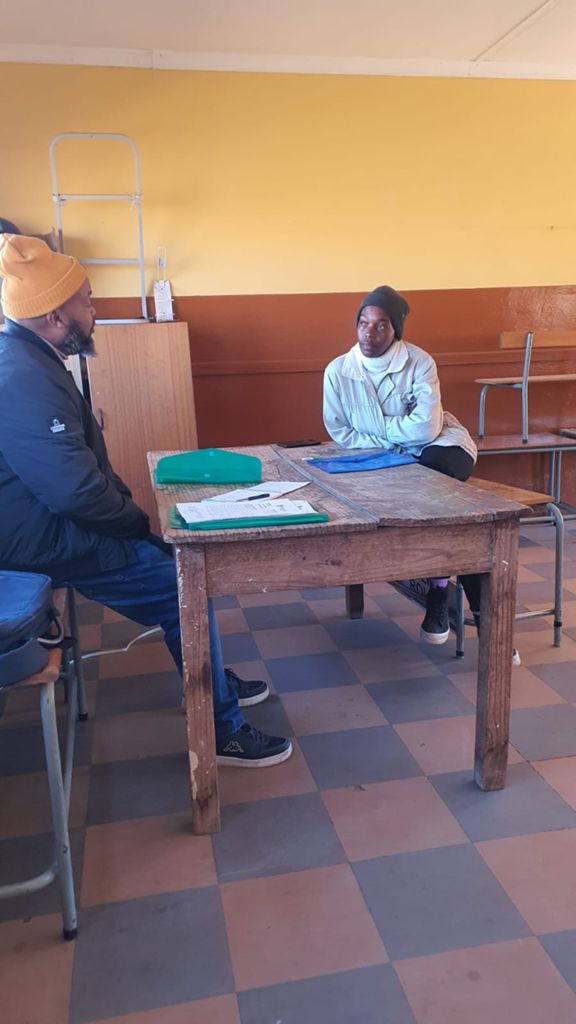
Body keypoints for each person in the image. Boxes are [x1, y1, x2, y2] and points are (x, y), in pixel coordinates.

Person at [0, 234, 292, 766]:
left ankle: (209, 682)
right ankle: (220, 729)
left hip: (44, 525)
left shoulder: (28, 359)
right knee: (185, 588)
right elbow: (73, 491)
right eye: (86, 301)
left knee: (176, 566)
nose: (93, 310)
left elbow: (77, 472)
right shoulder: (21, 376)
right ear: (54, 317)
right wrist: (135, 522)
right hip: (42, 539)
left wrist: (131, 520)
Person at [323, 284, 517, 658]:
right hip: (389, 459)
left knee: (435, 484)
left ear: (396, 329)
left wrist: (379, 433)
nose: (369, 333)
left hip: (444, 448)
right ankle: (465, 610)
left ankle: (439, 595)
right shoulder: (338, 371)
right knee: (462, 522)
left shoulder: (419, 362)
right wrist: (397, 438)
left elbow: (426, 429)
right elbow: (340, 431)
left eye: (381, 325)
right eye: (363, 323)